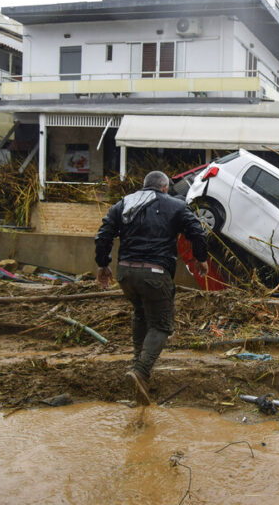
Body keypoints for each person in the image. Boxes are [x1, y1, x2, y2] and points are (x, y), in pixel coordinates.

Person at [94, 170, 208, 406]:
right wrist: (201, 258)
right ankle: (141, 370)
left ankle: (138, 372)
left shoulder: (123, 203)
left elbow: (103, 234)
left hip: (125, 272)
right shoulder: (175, 206)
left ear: (144, 186)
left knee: (140, 313)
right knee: (162, 325)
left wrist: (102, 264)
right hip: (155, 273)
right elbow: (197, 231)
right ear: (165, 187)